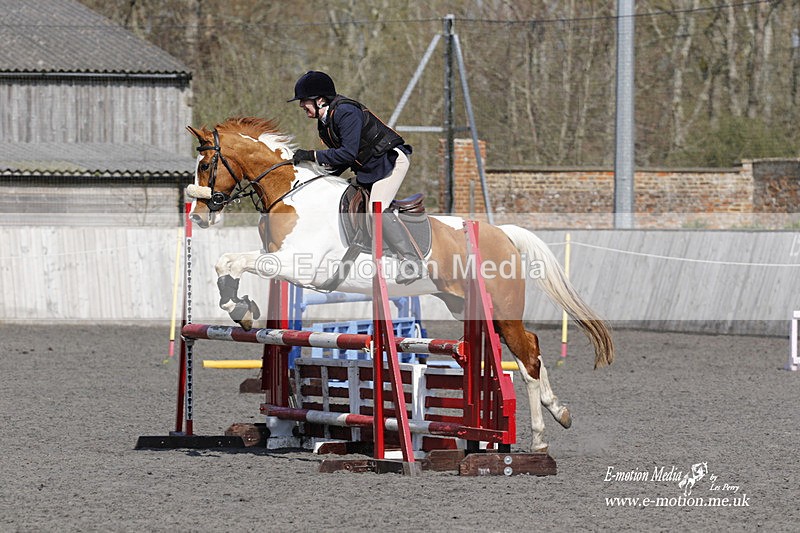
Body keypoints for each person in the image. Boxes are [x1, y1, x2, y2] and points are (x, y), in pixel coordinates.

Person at [288, 70, 422, 284]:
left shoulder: (345, 112)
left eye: (304, 101)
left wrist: (311, 155)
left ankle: (411, 261)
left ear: (320, 100)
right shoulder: (324, 124)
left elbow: (348, 153)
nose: (301, 106)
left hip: (390, 161)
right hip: (370, 168)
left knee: (376, 207)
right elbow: (340, 162)